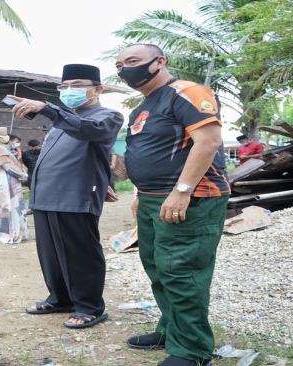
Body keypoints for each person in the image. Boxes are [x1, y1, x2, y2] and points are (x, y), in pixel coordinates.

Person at [116, 44, 229, 366]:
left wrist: (182, 190)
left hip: (192, 197)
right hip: (153, 199)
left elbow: (208, 142)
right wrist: (140, 195)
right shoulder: (143, 107)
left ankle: (192, 350)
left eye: (133, 61)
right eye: (119, 65)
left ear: (159, 62)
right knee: (158, 268)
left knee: (182, 271)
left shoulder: (187, 92)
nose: (125, 69)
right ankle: (171, 329)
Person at [7, 64, 123, 330]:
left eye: (78, 85)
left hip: (75, 195)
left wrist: (47, 109)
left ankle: (90, 307)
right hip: (46, 195)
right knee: (51, 253)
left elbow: (87, 130)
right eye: (64, 86)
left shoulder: (107, 116)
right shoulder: (60, 122)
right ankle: (60, 298)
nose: (70, 90)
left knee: (79, 253)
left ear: (98, 89)